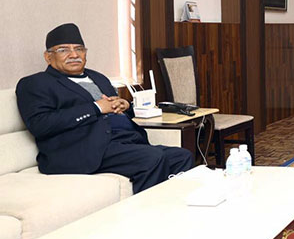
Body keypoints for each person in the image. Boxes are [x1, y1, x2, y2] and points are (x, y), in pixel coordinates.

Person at [16, 23, 194, 193]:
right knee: (152, 158)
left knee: (182, 156)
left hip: (124, 142)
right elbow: (40, 124)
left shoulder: (98, 77)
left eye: (79, 49)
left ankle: (172, 207)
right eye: (63, 50)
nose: (73, 54)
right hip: (83, 150)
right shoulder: (35, 83)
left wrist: (126, 106)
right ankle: (147, 212)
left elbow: (114, 108)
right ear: (48, 57)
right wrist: (96, 108)